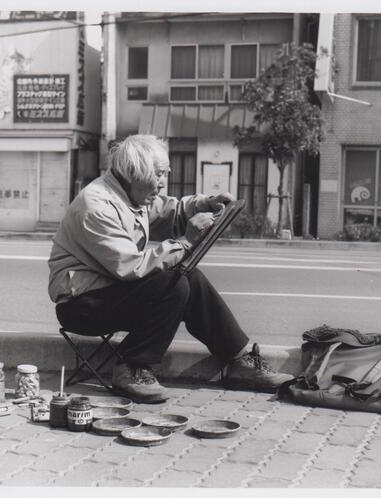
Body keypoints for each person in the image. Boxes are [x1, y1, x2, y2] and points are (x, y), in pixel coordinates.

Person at [48, 134, 293, 403]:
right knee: (175, 283)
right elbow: (131, 267)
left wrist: (205, 204)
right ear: (134, 172)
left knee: (189, 277)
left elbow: (167, 211)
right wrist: (186, 241)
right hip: (81, 304)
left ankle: (239, 359)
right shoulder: (97, 206)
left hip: (110, 291)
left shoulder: (131, 193)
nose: (163, 182)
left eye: (165, 173)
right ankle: (132, 366)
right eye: (159, 174)